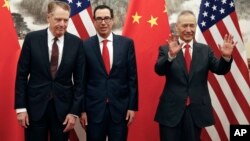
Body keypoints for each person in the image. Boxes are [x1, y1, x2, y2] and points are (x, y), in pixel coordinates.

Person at [154, 10, 236, 141]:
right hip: (171, 112)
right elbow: (159, 70)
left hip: (195, 112)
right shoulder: (166, 49)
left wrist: (226, 57)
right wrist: (171, 56)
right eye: (184, 25)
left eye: (192, 25)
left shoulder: (205, 50)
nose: (188, 29)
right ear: (177, 27)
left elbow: (220, 69)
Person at [15, 1, 85, 141]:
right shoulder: (31, 39)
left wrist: (74, 112)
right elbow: (21, 75)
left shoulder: (76, 43)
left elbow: (80, 81)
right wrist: (21, 108)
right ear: (48, 17)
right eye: (58, 19)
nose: (62, 24)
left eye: (66, 20)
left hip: (63, 111)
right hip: (35, 109)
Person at [80, 5, 138, 141]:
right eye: (99, 19)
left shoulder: (126, 44)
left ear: (113, 20)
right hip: (93, 111)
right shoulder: (84, 45)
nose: (103, 22)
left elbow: (132, 78)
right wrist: (82, 110)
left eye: (106, 18)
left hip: (120, 110)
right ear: (94, 21)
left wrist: (132, 107)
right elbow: (81, 80)